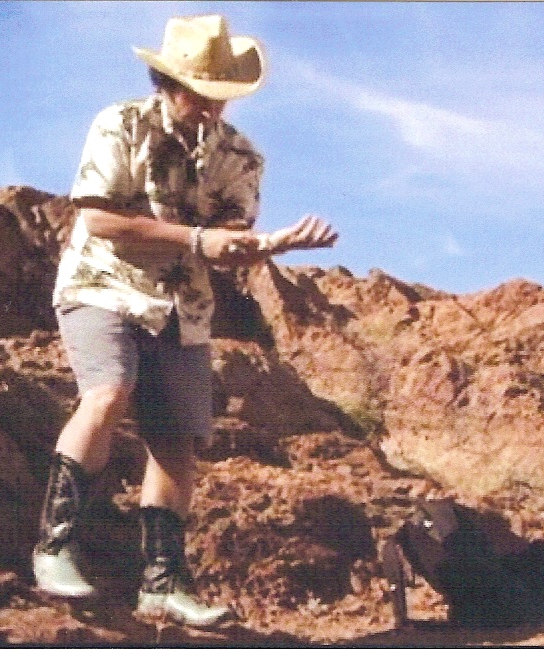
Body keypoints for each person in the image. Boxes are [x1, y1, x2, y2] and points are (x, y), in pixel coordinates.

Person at [32, 14, 337, 628]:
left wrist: (272, 245)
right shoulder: (121, 125)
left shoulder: (241, 156)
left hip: (181, 304)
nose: (212, 111)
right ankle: (55, 547)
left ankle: (163, 583)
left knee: (176, 439)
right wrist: (196, 239)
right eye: (202, 95)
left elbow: (229, 238)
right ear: (167, 83)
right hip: (102, 286)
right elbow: (98, 218)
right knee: (109, 390)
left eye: (222, 98)